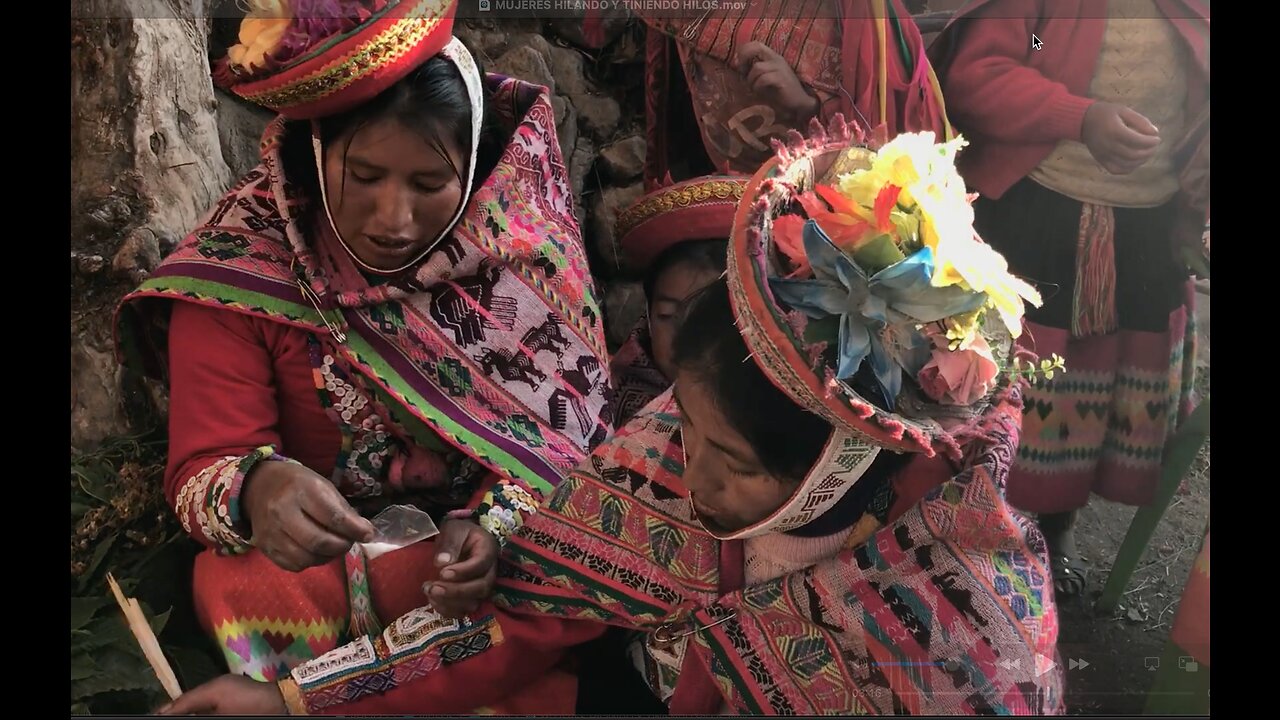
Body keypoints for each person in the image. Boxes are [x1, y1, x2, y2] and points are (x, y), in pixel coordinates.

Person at [161, 119, 1064, 715]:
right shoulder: (661, 471)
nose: (690, 479)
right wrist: (290, 704)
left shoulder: (961, 636)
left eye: (737, 466)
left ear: (842, 466)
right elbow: (523, 603)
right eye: (688, 431)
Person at [118, 0, 612, 712]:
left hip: (467, 584)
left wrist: (492, 525)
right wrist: (259, 490)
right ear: (317, 156)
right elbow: (204, 467)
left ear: (471, 173)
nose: (394, 220)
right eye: (367, 175)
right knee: (235, 584)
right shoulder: (241, 273)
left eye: (427, 184)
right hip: (313, 580)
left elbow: (570, 453)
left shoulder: (514, 263)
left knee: (564, 569)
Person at [930, 0, 1210, 596]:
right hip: (1039, 213)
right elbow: (983, 73)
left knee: (1101, 388)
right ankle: (978, 527)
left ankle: (1056, 530)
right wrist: (1079, 116)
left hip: (1149, 224)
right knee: (1019, 384)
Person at [615, 0, 953, 188]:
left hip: (836, 233)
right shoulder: (676, 16)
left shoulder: (866, 19)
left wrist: (808, 109)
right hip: (729, 217)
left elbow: (908, 149)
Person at [608, 175, 747, 424]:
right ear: (649, 317)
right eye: (668, 316)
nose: (686, 341)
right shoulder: (601, 403)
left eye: (708, 317)